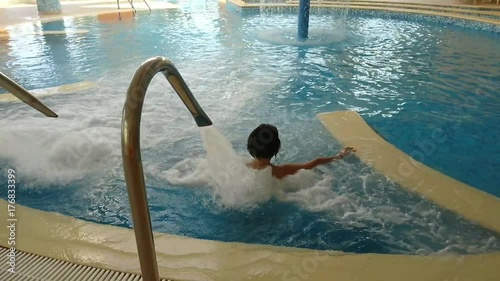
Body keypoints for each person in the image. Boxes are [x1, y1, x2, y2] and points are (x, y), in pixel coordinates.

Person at [247, 123, 355, 179]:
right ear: (277, 148)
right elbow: (315, 162)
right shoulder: (281, 171)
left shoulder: (244, 166)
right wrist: (339, 156)